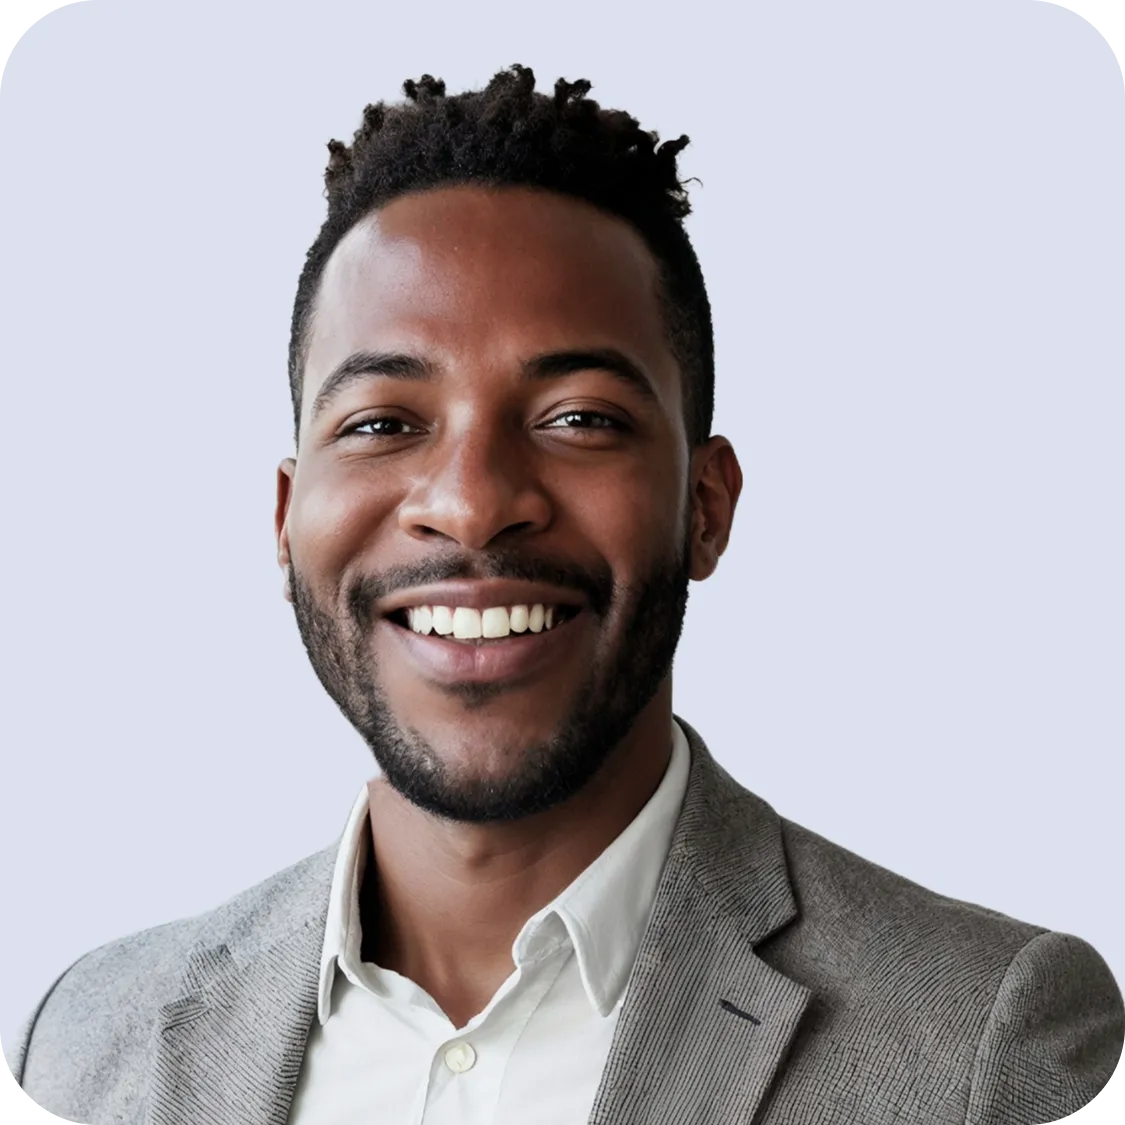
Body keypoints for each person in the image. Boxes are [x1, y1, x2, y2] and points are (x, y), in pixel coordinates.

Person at [7, 65, 1122, 1124]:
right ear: (286, 520)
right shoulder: (85, 1045)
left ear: (706, 506)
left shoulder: (986, 1049)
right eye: (384, 423)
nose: (472, 501)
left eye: (580, 417)